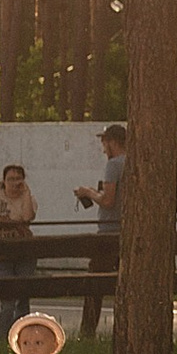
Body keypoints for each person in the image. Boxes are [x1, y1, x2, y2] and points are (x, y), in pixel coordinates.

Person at [74, 122, 126, 339]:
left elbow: (108, 200)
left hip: (109, 231)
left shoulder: (114, 165)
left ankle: (87, 333)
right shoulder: (135, 163)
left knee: (95, 282)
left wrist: (89, 192)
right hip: (128, 230)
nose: (103, 149)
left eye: (104, 144)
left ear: (112, 142)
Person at [0, 160, 38, 336]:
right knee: (7, 298)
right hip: (1, 250)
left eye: (18, 179)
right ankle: (3, 338)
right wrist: (14, 224)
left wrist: (26, 192)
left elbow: (27, 217)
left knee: (23, 296)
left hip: (24, 250)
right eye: (11, 179)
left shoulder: (28, 197)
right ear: (4, 180)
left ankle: (24, 339)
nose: (15, 183)